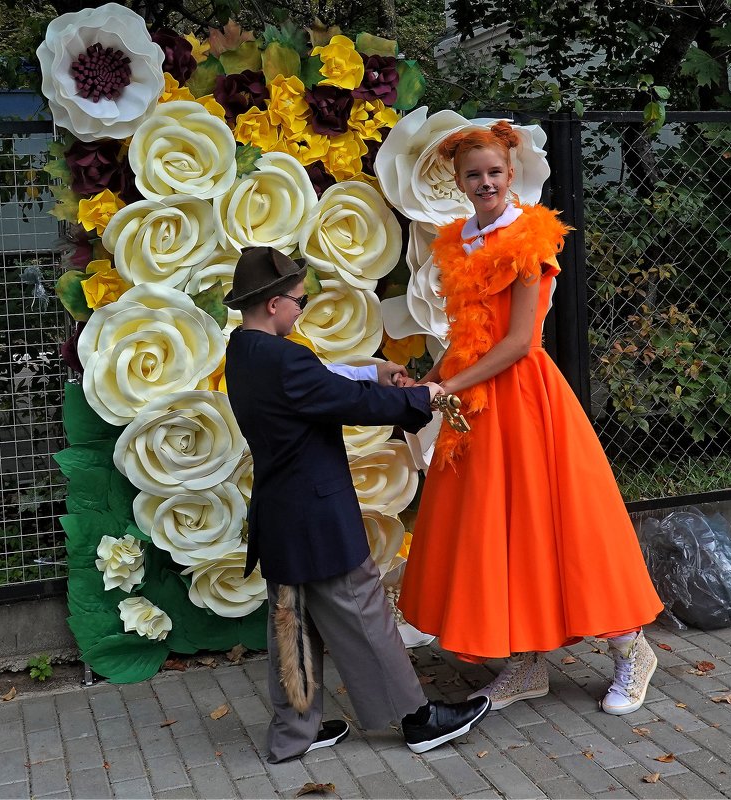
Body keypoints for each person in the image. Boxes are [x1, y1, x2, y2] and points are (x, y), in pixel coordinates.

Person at [397, 122, 667, 716]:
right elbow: (468, 336)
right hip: (476, 406)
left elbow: (519, 341)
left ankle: (632, 650)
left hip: (523, 399)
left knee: (558, 525)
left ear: (511, 174)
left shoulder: (529, 238)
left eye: (494, 172)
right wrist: (428, 382)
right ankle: (524, 664)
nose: (485, 181)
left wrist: (444, 387)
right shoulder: (460, 239)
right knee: (496, 534)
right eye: (474, 174)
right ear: (459, 181)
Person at [222, 246, 491, 763]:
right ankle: (418, 721)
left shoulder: (244, 351)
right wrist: (423, 397)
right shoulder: (286, 358)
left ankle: (293, 733)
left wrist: (373, 373)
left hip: (280, 512)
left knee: (291, 623)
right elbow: (347, 402)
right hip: (317, 514)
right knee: (362, 607)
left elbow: (317, 385)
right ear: (275, 304)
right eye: (298, 302)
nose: (301, 309)